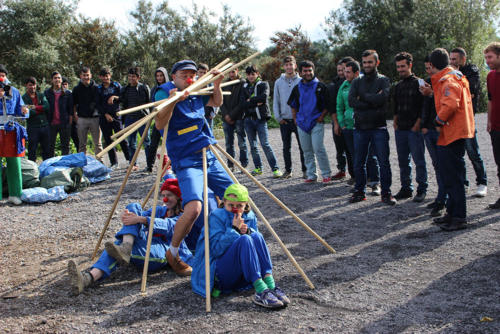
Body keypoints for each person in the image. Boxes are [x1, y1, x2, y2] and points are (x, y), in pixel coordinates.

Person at [154, 59, 234, 276]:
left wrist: (217, 84)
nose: (189, 77)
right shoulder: (164, 93)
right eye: (183, 74)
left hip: (207, 153)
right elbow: (159, 124)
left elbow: (216, 103)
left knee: (235, 194)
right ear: (173, 77)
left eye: (191, 73)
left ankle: (234, 240)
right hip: (186, 159)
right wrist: (172, 102)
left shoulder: (198, 88)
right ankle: (173, 251)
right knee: (194, 208)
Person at [67, 178, 201, 295]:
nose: (165, 199)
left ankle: (90, 276)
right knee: (134, 206)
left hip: (164, 252)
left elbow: (170, 226)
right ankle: (125, 247)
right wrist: (128, 216)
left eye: (170, 195)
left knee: (119, 242)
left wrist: (140, 220)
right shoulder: (161, 210)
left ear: (178, 197)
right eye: (164, 195)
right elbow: (140, 214)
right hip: (149, 242)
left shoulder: (185, 216)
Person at [191, 184, 290, 309]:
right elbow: (216, 250)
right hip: (218, 274)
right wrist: (233, 230)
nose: (235, 209)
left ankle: (270, 285)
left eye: (239, 206)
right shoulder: (216, 216)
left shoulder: (250, 216)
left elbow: (256, 249)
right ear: (224, 202)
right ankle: (260, 290)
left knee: (256, 236)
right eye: (230, 205)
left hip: (242, 275)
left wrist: (247, 230)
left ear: (246, 205)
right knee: (244, 239)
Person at [427, 48, 474, 231]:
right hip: (456, 132)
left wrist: (438, 120)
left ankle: (459, 217)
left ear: (431, 64)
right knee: (451, 175)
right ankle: (452, 213)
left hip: (452, 133)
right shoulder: (455, 75)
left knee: (453, 177)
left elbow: (450, 104)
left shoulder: (448, 80)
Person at [348, 50, 396, 205]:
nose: (367, 65)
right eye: (365, 62)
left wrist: (364, 98)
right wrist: (373, 99)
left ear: (377, 63)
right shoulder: (357, 81)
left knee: (384, 162)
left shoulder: (384, 80)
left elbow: (384, 100)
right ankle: (359, 191)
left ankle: (386, 193)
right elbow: (351, 101)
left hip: (378, 127)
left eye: (370, 62)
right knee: (359, 162)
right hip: (360, 127)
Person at [336, 60, 381, 192]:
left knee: (371, 156)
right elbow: (339, 106)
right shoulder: (343, 86)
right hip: (349, 127)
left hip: (365, 125)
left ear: (356, 73)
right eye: (344, 71)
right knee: (356, 157)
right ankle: (360, 184)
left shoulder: (366, 83)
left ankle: (375, 183)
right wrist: (342, 123)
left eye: (348, 72)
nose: (345, 74)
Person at [450, 47, 488, 197]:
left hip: (467, 119)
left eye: (455, 59)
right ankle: (463, 184)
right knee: (457, 155)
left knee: (472, 151)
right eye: (450, 59)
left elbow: (470, 91)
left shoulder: (471, 70)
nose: (452, 62)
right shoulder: (450, 73)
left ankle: (482, 182)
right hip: (453, 119)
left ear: (463, 59)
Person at [288, 60, 332, 183]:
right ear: (300, 72)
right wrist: (295, 119)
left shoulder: (321, 87)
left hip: (316, 122)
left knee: (318, 148)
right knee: (306, 150)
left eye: (310, 70)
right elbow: (293, 104)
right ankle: (311, 175)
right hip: (302, 123)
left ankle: (326, 174)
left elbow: (328, 105)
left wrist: (321, 117)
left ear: (313, 70)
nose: (308, 73)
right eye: (305, 71)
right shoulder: (297, 88)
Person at [391, 52, 427, 202]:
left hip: (414, 128)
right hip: (401, 129)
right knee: (402, 161)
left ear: (410, 65)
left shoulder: (420, 83)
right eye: (398, 67)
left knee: (419, 160)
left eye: (403, 66)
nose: (400, 69)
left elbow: (423, 106)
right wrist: (395, 121)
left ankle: (422, 189)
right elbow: (395, 106)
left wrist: (418, 124)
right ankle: (406, 188)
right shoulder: (398, 86)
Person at [241, 65, 283, 177]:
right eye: (248, 74)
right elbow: (242, 103)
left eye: (253, 74)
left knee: (265, 144)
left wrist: (250, 100)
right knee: (253, 146)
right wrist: (254, 101)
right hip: (248, 120)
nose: (250, 76)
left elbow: (263, 98)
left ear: (257, 74)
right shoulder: (244, 86)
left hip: (260, 119)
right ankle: (258, 168)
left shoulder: (263, 84)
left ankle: (275, 169)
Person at [109, 67, 152, 172]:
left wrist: (151, 116)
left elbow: (150, 102)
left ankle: (149, 164)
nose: (131, 78)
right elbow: (121, 100)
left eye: (133, 76)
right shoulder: (125, 89)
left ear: (138, 77)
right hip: (130, 119)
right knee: (131, 143)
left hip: (142, 118)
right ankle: (133, 164)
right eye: (129, 76)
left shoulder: (144, 88)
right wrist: (114, 98)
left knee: (147, 141)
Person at [420, 56, 447, 217]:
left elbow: (447, 104)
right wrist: (423, 125)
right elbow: (424, 106)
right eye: (426, 68)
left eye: (430, 67)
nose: (428, 71)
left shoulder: (444, 82)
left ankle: (446, 199)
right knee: (437, 165)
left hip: (441, 129)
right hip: (428, 129)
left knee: (445, 166)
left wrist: (432, 93)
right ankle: (440, 197)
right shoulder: (427, 83)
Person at [273, 55, 306, 179]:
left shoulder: (301, 81)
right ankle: (288, 170)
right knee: (286, 147)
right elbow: (276, 101)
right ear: (283, 66)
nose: (289, 67)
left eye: (291, 64)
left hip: (299, 120)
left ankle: (305, 170)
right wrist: (278, 117)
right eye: (286, 65)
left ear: (295, 66)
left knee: (303, 146)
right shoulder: (278, 82)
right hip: (284, 120)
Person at [0, 64, 29, 205]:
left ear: (6, 77)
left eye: (3, 75)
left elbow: (21, 110)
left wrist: (24, 111)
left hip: (11, 130)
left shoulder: (15, 92)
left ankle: (15, 194)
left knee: (14, 162)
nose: (1, 78)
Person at [96, 67, 130, 168]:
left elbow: (123, 98)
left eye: (107, 76)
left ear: (110, 75)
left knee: (122, 137)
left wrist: (114, 97)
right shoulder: (98, 89)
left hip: (116, 115)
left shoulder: (116, 85)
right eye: (104, 76)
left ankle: (130, 159)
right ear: (100, 77)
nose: (106, 78)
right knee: (108, 140)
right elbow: (97, 104)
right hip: (104, 117)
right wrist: (105, 114)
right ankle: (114, 162)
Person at [330, 57, 355, 180]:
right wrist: (337, 123)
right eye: (339, 70)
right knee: (341, 148)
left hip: (354, 123)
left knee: (353, 151)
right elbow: (335, 106)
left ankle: (357, 176)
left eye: (344, 70)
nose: (342, 73)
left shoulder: (356, 82)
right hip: (340, 121)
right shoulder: (335, 84)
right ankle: (343, 170)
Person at [220, 68, 248, 171]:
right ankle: (230, 165)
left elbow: (242, 102)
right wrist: (226, 115)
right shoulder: (224, 84)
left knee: (241, 142)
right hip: (226, 117)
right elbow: (221, 101)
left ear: (237, 70)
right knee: (228, 143)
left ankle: (244, 165)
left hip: (239, 117)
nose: (231, 74)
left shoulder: (242, 83)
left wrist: (231, 116)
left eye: (233, 71)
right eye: (229, 72)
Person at [72, 67, 103, 160]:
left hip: (95, 118)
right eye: (84, 75)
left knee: (98, 143)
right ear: (80, 76)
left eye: (87, 75)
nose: (86, 77)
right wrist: (75, 115)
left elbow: (100, 103)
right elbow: (73, 103)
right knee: (82, 144)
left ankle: (99, 161)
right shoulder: (77, 89)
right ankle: (82, 163)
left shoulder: (97, 88)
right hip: (82, 118)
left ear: (91, 75)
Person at [484, 42, 500, 209]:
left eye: (490, 57)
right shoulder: (490, 77)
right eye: (486, 57)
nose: (487, 61)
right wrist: (489, 121)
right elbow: (490, 100)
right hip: (496, 127)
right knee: (499, 163)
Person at [44, 71, 73, 157]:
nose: (57, 79)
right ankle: (51, 166)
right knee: (50, 146)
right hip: (51, 123)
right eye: (55, 78)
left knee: (65, 146)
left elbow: (70, 108)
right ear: (52, 80)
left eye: (59, 78)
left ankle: (65, 166)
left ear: (61, 80)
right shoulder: (47, 93)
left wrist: (70, 122)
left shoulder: (67, 93)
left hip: (64, 123)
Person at [22, 77, 51, 161]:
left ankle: (46, 168)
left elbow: (47, 107)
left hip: (44, 126)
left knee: (46, 149)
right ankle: (33, 169)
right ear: (26, 86)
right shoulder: (24, 98)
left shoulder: (41, 95)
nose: (33, 87)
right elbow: (27, 113)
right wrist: (40, 110)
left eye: (34, 85)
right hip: (33, 127)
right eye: (30, 85)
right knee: (32, 150)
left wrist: (34, 107)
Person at [147, 67, 170, 171]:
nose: (159, 78)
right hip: (158, 118)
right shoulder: (154, 89)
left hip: (169, 118)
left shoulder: (170, 87)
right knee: (153, 143)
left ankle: (171, 165)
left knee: (170, 142)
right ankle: (149, 166)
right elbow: (152, 103)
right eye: (157, 76)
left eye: (161, 75)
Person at [198, 63, 218, 128]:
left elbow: (216, 98)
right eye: (201, 72)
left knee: (209, 135)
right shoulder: (193, 83)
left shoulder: (211, 84)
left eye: (205, 72)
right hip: (197, 114)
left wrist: (214, 113)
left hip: (208, 115)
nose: (203, 74)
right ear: (197, 72)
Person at [62, 77, 79, 151]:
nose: (64, 86)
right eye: (63, 84)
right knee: (65, 142)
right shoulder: (57, 95)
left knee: (77, 140)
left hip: (72, 121)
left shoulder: (71, 93)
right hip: (62, 121)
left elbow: (75, 106)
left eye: (66, 84)